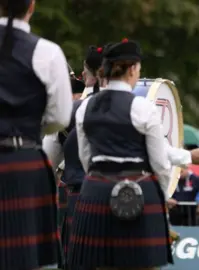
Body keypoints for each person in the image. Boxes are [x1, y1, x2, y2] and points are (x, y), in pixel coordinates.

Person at [68, 38, 172, 269]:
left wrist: (99, 179)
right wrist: (160, 196)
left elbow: (86, 157)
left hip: (94, 189)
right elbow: (160, 164)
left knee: (98, 264)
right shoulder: (144, 107)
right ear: (133, 69)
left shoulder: (85, 106)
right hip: (139, 190)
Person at [0, 0, 73, 269]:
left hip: (22, 158)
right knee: (21, 259)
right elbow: (60, 118)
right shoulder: (48, 52)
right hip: (22, 159)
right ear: (31, 6)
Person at [43, 44, 105, 268]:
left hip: (82, 198)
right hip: (125, 199)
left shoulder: (72, 111)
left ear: (92, 73)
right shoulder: (139, 107)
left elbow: (47, 162)